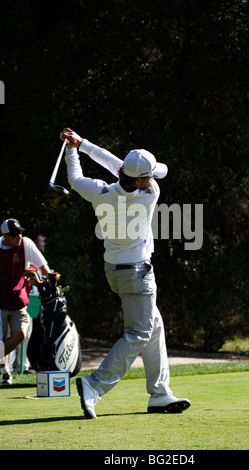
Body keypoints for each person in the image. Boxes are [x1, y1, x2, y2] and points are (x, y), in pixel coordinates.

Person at [61, 127, 191, 419]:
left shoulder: (100, 192)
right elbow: (116, 164)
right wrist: (83, 144)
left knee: (154, 328)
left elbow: (77, 177)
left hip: (114, 272)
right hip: (138, 276)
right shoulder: (150, 194)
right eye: (150, 174)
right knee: (139, 333)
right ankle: (94, 385)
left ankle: (159, 393)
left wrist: (75, 148)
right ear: (142, 180)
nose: (154, 178)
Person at [0, 219, 49, 384]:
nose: (19, 236)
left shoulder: (26, 243)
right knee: (1, 340)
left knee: (20, 335)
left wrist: (49, 285)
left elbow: (44, 268)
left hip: (20, 301)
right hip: (0, 302)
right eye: (15, 234)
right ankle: (5, 371)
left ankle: (11, 366)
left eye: (20, 232)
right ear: (5, 236)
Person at [7, 232, 47, 375]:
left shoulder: (37, 262)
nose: (44, 244)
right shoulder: (26, 261)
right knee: (11, 335)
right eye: (42, 241)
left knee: (26, 334)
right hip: (20, 301)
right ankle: (9, 367)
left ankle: (23, 365)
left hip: (32, 303)